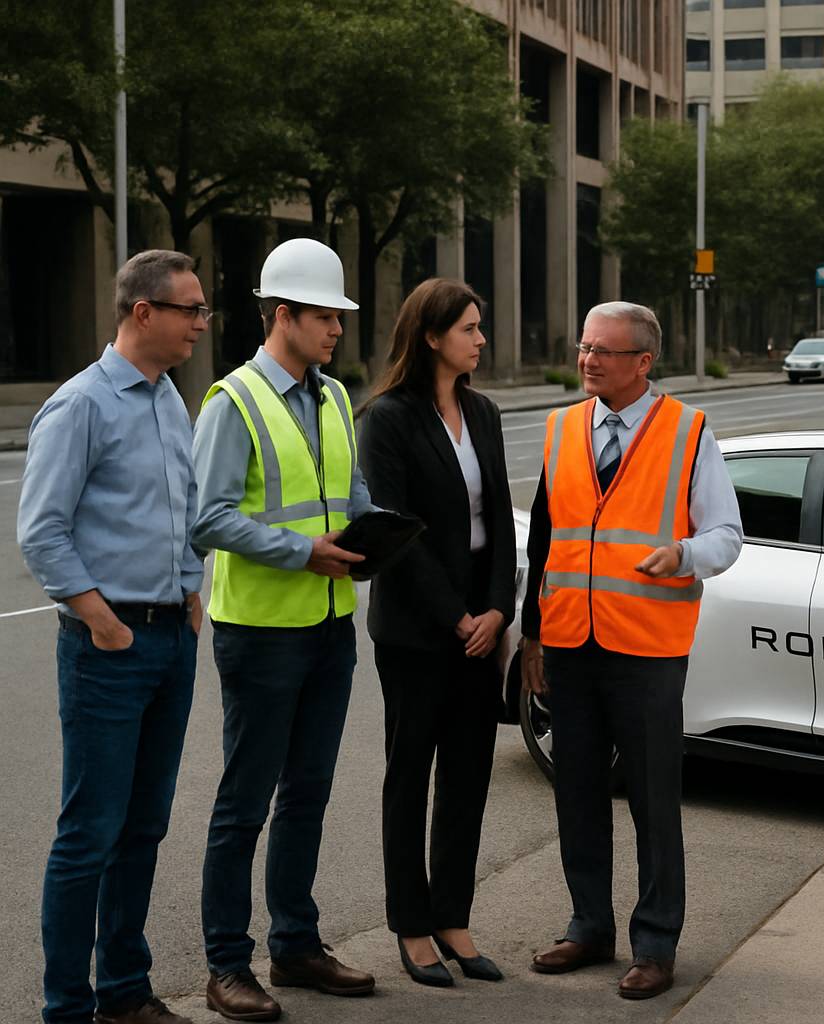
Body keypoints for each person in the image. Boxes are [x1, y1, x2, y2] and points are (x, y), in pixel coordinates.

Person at [520, 301, 743, 1000]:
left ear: (643, 362)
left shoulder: (688, 432)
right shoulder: (560, 429)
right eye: (583, 347)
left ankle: (655, 943)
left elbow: (727, 537)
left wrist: (681, 553)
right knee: (577, 793)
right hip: (570, 642)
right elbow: (544, 543)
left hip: (648, 648)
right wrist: (531, 633)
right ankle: (588, 926)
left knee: (652, 798)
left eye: (603, 352)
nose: (587, 360)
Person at [18, 250, 208, 1024]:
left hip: (172, 640)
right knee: (89, 832)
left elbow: (183, 510)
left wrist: (192, 590)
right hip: (111, 647)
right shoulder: (81, 405)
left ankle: (125, 992)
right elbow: (42, 533)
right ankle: (68, 1005)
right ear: (142, 313)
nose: (201, 321)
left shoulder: (169, 398)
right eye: (189, 308)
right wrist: (102, 620)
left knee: (144, 825)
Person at [190, 238, 375, 1021]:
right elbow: (208, 518)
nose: (336, 328)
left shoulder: (333, 398)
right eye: (325, 316)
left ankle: (295, 946)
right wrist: (304, 553)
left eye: (338, 316)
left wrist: (380, 532)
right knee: (245, 803)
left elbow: (350, 488)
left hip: (332, 625)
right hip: (262, 632)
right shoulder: (231, 401)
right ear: (283, 315)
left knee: (308, 794)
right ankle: (228, 965)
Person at [356, 279, 517, 987]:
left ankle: (453, 916)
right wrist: (457, 616)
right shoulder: (387, 418)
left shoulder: (482, 412)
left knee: (468, 777)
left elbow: (501, 521)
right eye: (469, 329)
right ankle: (412, 926)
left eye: (480, 328)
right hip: (418, 631)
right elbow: (399, 533)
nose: (481, 340)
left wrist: (497, 613)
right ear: (430, 336)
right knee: (410, 774)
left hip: (480, 627)